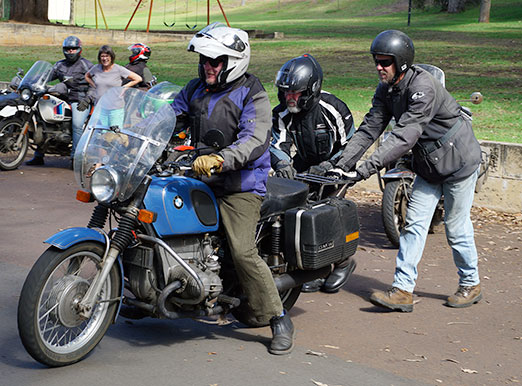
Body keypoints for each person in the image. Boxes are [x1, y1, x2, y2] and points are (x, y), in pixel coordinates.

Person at [329, 30, 483, 312]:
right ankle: (402, 290)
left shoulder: (423, 88)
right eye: (376, 61)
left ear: (401, 62)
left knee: (456, 227)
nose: (379, 67)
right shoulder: (385, 89)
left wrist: (364, 170)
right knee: (413, 224)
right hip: (429, 164)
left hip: (459, 160)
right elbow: (369, 129)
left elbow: (404, 136)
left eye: (385, 62)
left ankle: (470, 284)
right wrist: (342, 166)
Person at [171, 22, 294, 355]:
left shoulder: (253, 93)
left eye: (215, 61)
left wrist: (220, 160)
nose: (208, 67)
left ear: (232, 62)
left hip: (240, 184)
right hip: (201, 177)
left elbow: (254, 140)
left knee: (242, 250)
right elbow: (170, 115)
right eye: (205, 61)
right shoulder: (195, 88)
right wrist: (130, 131)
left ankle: (279, 318)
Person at [270, 53, 357, 294]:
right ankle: (314, 266)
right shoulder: (282, 113)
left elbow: (351, 145)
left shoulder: (333, 108)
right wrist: (283, 165)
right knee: (292, 210)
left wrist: (331, 166)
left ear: (311, 89)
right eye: (286, 92)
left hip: (336, 166)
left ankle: (343, 262)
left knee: (327, 209)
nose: (289, 98)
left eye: (295, 93)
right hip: (305, 165)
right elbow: (278, 144)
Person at [26, 35, 94, 166]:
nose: (70, 51)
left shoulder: (86, 65)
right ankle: (38, 156)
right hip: (62, 97)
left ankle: (75, 159)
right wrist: (32, 81)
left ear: (79, 49)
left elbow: (95, 84)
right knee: (42, 119)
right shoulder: (59, 65)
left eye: (73, 49)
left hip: (79, 100)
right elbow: (46, 76)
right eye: (68, 49)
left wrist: (87, 98)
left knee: (77, 124)